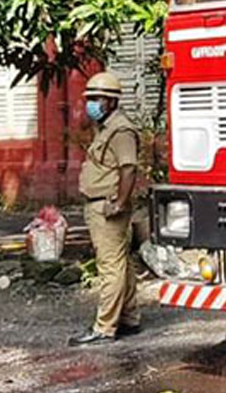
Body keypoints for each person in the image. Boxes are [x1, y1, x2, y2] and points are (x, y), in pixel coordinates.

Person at [69, 71, 142, 346]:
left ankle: (104, 328)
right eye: (90, 99)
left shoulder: (120, 130)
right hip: (101, 205)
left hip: (107, 207)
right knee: (122, 262)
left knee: (110, 266)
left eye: (97, 99)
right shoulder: (107, 128)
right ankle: (129, 317)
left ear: (111, 102)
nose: (92, 104)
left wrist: (120, 202)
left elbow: (129, 169)